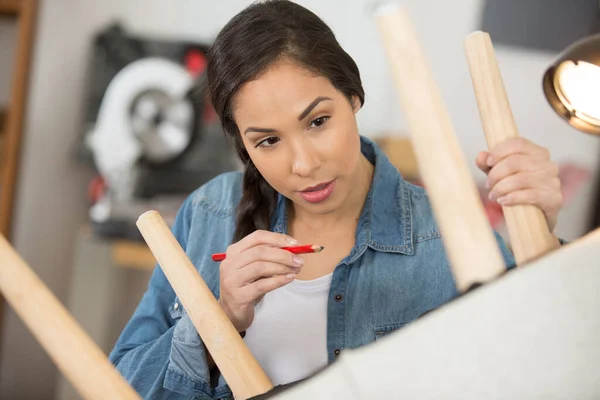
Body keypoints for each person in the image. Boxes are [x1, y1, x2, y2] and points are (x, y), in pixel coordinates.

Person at [109, 1, 564, 398]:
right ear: (243, 146)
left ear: (353, 97)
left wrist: (544, 243)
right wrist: (219, 318)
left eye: (318, 121)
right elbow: (121, 385)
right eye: (268, 141)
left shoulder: (445, 235)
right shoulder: (210, 211)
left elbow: (552, 364)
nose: (303, 164)